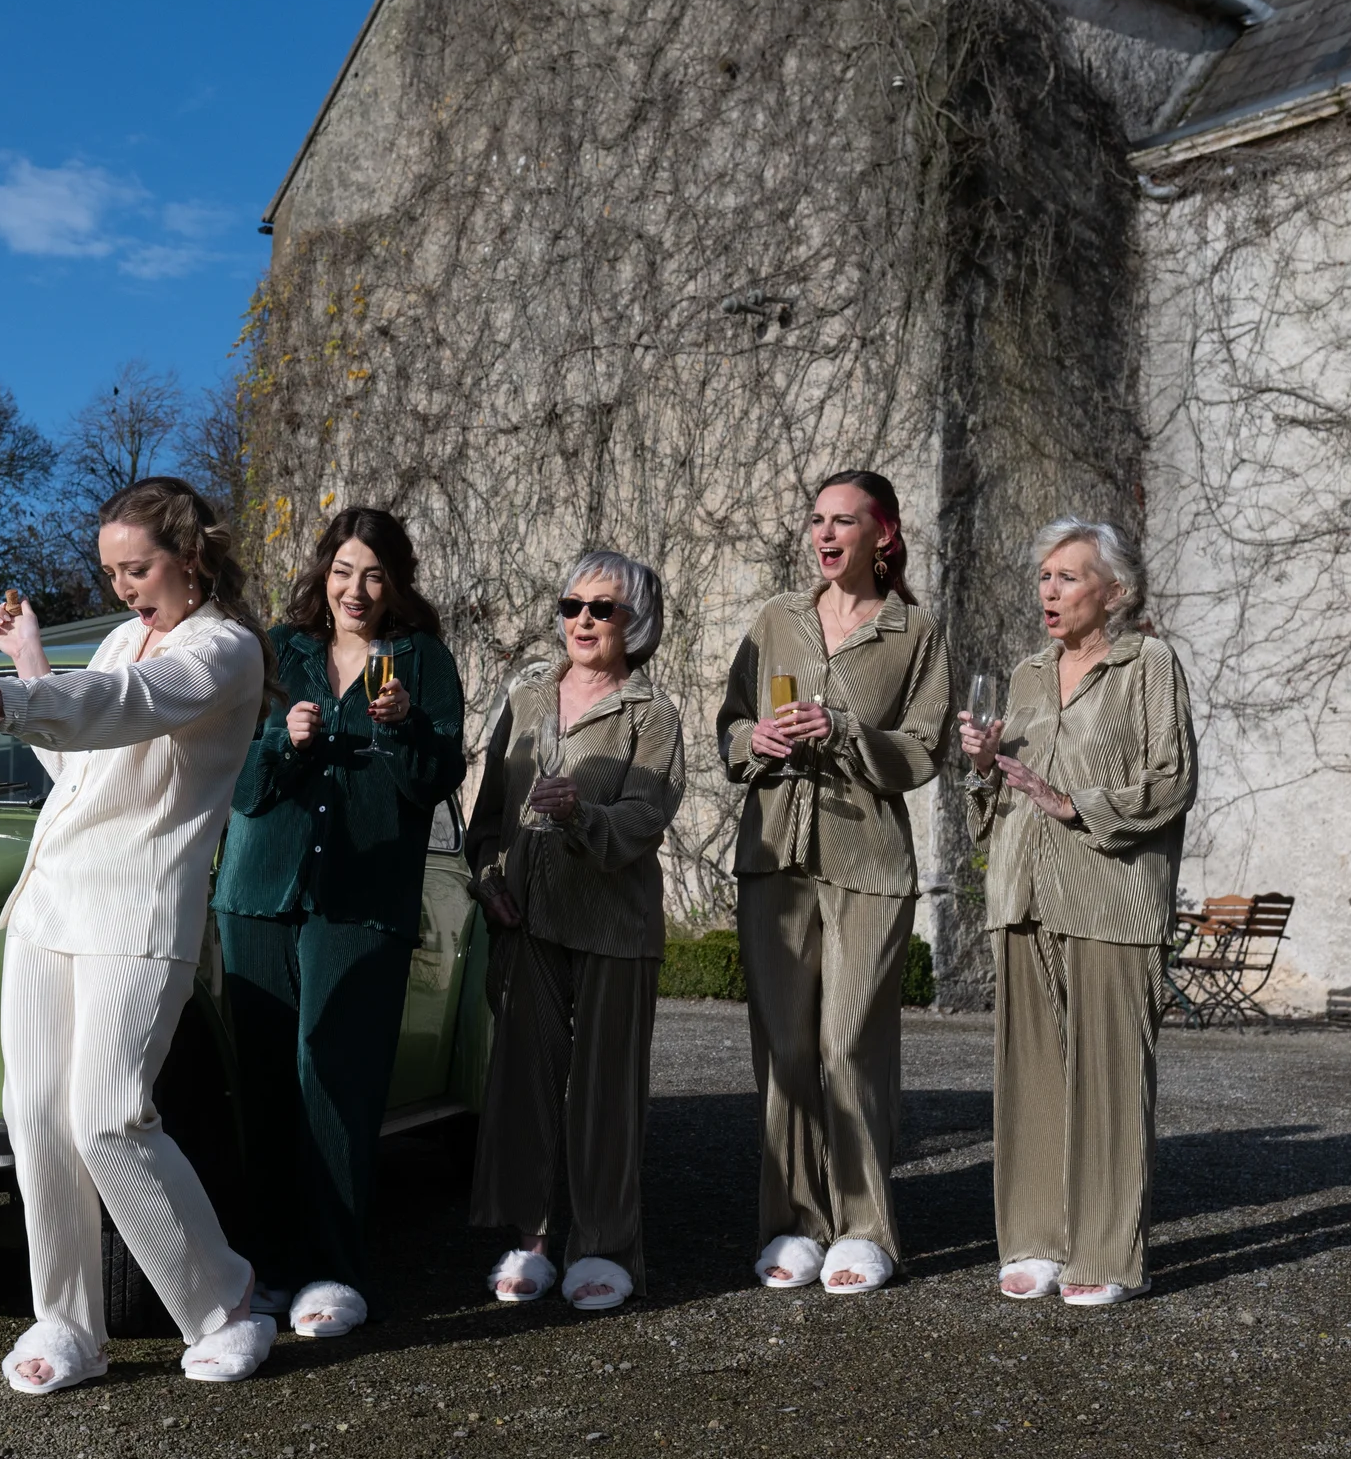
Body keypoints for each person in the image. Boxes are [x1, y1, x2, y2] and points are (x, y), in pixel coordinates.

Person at [0, 477, 277, 1391]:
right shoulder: (127, 638)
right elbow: (77, 753)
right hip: (49, 901)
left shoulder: (227, 652)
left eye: (137, 568)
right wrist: (29, 657)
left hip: (140, 909)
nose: (123, 588)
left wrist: (13, 694)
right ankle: (67, 1323)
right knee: (37, 1117)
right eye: (111, 571)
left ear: (192, 555)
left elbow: (131, 702)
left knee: (106, 1116)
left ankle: (224, 1300)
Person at [212, 508, 466, 1339]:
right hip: (258, 894)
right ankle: (267, 1267)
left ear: (397, 583)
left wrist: (400, 731)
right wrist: (281, 742)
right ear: (323, 575)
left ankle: (334, 1268)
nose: (356, 590)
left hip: (361, 902)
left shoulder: (422, 659)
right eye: (343, 571)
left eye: (375, 575)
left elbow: (434, 782)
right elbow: (240, 785)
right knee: (261, 1084)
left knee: (336, 1079)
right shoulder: (278, 653)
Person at [716, 470, 950, 1297]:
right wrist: (760, 739)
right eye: (816, 519)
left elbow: (925, 747)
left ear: (882, 533)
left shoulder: (912, 631)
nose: (823, 534)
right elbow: (730, 726)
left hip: (868, 859)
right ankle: (793, 1223)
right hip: (774, 852)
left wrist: (846, 730)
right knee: (785, 1052)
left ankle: (865, 1227)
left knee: (850, 1044)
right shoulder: (776, 619)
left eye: (841, 521)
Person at [957, 516, 1195, 1307]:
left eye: (1068, 576)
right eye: (1043, 577)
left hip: (1112, 893)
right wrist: (985, 769)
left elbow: (1172, 779)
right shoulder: (1026, 674)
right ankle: (1035, 1238)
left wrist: (1073, 801)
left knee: (1109, 1080)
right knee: (1029, 1079)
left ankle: (1106, 1252)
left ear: (1115, 590)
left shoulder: (1148, 663)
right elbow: (995, 802)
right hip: (1022, 891)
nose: (1048, 591)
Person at [465, 552, 683, 1313]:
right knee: (522, 1083)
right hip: (525, 919)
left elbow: (645, 818)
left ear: (636, 623)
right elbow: (489, 810)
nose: (583, 621)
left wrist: (580, 816)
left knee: (605, 1093)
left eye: (603, 609)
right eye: (572, 605)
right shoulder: (527, 696)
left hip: (613, 924)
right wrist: (489, 881)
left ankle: (605, 1246)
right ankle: (532, 1239)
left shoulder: (650, 716)